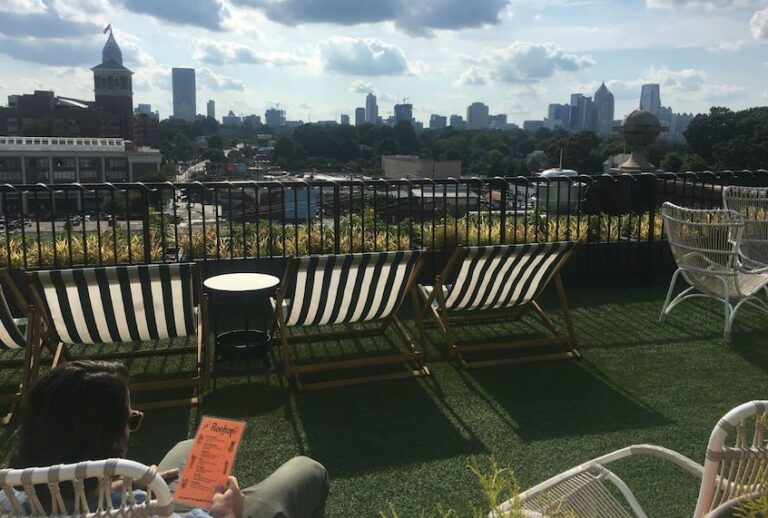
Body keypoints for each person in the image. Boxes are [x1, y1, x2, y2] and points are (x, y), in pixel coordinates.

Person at [8, 360, 329, 518]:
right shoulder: (127, 509)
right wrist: (226, 512)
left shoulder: (10, 501)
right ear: (111, 441)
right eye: (130, 420)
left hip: (112, 498)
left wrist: (111, 487)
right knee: (308, 470)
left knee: (189, 449)